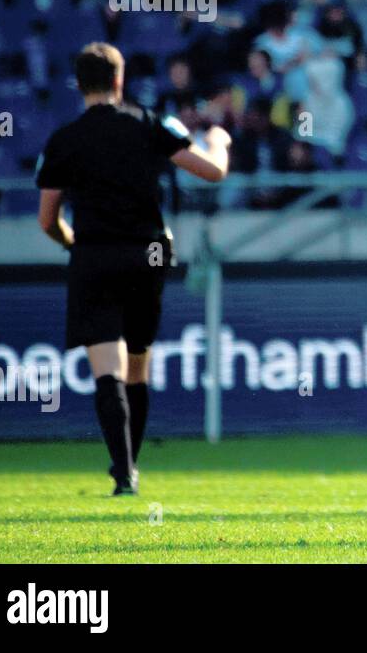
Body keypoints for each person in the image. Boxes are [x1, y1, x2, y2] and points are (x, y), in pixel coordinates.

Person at [35, 43, 231, 495]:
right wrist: (218, 140)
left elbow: (48, 219)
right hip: (148, 256)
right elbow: (211, 172)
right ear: (119, 81)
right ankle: (130, 463)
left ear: (79, 84)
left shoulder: (64, 140)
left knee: (108, 369)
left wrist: (72, 243)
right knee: (138, 366)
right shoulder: (149, 122)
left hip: (94, 257)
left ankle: (124, 473)